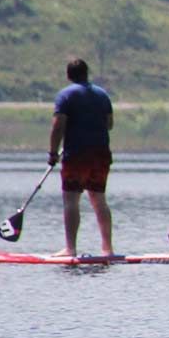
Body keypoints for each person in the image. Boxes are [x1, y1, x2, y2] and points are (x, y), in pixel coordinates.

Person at [48, 59, 114, 257]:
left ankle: (71, 249)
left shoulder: (65, 95)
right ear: (87, 73)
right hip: (101, 154)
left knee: (71, 200)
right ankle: (108, 249)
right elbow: (109, 124)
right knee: (99, 200)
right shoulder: (102, 95)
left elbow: (58, 125)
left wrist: (53, 152)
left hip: (76, 155)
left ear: (69, 75)